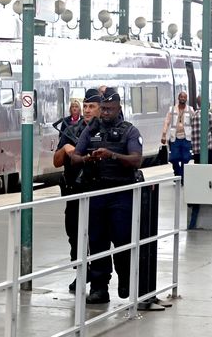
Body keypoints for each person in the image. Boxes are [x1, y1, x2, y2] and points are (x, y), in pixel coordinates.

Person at [70, 88, 143, 304]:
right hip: (96, 192)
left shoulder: (129, 131)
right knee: (97, 241)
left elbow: (136, 160)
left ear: (119, 108)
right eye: (104, 109)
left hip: (121, 193)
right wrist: (87, 159)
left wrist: (112, 155)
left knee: (122, 238)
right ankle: (99, 287)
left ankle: (125, 278)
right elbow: (74, 157)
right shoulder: (90, 131)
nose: (106, 113)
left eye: (110, 109)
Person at [52, 89, 102, 293]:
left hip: (97, 191)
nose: (87, 110)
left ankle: (98, 280)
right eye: (86, 106)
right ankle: (82, 272)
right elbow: (55, 162)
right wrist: (65, 150)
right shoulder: (72, 130)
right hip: (73, 192)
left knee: (96, 236)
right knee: (74, 234)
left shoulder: (104, 131)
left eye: (92, 106)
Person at [161, 91, 195, 181]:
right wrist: (164, 134)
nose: (183, 99)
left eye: (184, 97)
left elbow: (194, 122)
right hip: (174, 137)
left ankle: (182, 176)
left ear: (186, 99)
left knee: (185, 158)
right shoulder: (172, 109)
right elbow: (167, 121)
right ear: (178, 98)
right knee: (173, 158)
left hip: (186, 137)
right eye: (181, 97)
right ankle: (177, 172)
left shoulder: (190, 110)